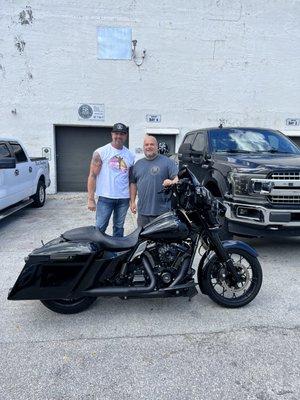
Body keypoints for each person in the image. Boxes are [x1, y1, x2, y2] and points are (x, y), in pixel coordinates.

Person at [87, 123, 135, 237]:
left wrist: (132, 200)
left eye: (122, 134)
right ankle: (97, 252)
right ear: (112, 134)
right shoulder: (101, 152)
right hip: (105, 198)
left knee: (118, 228)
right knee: (100, 228)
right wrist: (90, 199)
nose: (119, 136)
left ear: (126, 136)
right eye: (116, 133)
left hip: (123, 198)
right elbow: (92, 175)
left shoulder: (130, 155)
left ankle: (116, 253)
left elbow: (131, 180)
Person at [130, 135, 178, 227]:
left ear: (157, 147)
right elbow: (133, 183)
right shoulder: (138, 164)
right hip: (143, 212)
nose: (149, 147)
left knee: (161, 239)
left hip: (162, 212)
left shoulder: (168, 162)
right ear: (143, 147)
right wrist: (132, 202)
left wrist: (172, 182)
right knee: (142, 238)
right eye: (146, 145)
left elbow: (177, 178)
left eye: (152, 144)